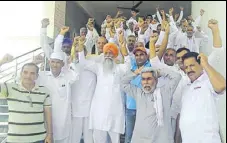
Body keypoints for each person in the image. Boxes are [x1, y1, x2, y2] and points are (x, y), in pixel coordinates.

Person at [175, 19, 226, 143]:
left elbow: (221, 86)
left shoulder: (207, 79)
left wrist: (215, 30)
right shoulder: (184, 84)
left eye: (192, 65)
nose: (188, 69)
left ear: (200, 64)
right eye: (186, 67)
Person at [77, 42, 130, 143]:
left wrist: (125, 53)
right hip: (99, 112)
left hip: (114, 111)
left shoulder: (119, 68)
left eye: (111, 53)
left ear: (115, 55)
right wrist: (80, 49)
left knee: (115, 140)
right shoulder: (98, 67)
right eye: (106, 53)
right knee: (98, 139)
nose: (108, 56)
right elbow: (83, 62)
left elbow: (128, 67)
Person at [121, 66, 181, 143]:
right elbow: (123, 83)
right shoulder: (138, 93)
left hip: (161, 139)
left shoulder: (165, 92)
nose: (146, 82)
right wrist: (135, 73)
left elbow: (177, 77)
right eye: (143, 79)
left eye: (149, 79)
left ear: (155, 80)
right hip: (140, 139)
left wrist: (160, 72)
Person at [0, 63, 52, 143]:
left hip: (39, 139)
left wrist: (50, 134)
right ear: (20, 74)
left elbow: (48, 114)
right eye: (25, 72)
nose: (28, 76)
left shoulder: (44, 91)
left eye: (32, 73)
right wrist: (2, 62)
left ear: (37, 76)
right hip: (15, 140)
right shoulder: (10, 88)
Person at [37, 52, 79, 143]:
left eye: (58, 62)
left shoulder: (67, 76)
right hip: (47, 122)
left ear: (62, 64)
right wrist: (34, 62)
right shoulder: (42, 76)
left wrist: (71, 63)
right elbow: (25, 77)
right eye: (53, 62)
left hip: (63, 123)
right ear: (49, 62)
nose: (55, 65)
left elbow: (76, 76)